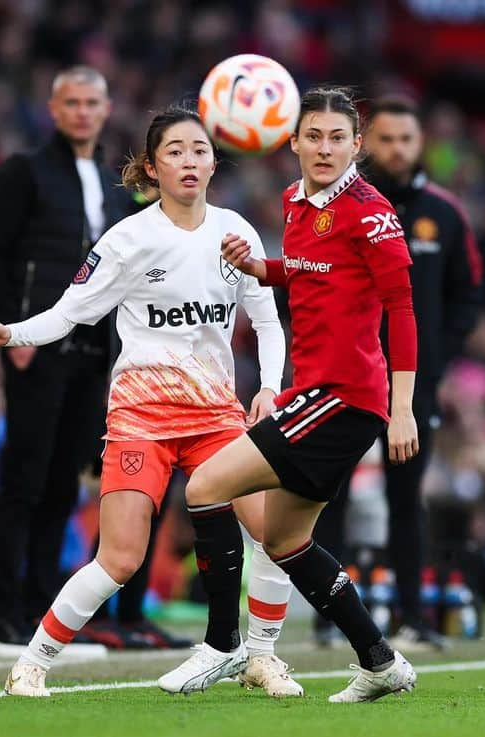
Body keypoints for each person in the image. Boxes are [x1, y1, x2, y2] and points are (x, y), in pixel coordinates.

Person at [0, 107, 304, 699]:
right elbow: (69, 313)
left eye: (199, 150)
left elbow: (268, 322)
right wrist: (11, 332)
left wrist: (269, 387)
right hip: (141, 418)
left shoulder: (237, 233)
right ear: (152, 166)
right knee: (120, 558)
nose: (190, 161)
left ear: (213, 161)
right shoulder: (127, 239)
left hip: (216, 418)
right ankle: (33, 662)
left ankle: (261, 656)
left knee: (274, 531)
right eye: (175, 151)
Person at [159, 87, 419, 703]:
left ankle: (222, 645)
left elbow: (401, 308)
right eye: (314, 137)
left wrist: (402, 407)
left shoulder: (370, 209)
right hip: (321, 394)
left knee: (204, 487)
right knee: (283, 541)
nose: (324, 148)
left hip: (343, 395)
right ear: (293, 141)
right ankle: (381, 662)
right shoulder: (297, 201)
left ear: (357, 145)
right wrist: (260, 268)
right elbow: (311, 269)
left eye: (337, 138)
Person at [0, 66, 132, 655]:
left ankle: (43, 618)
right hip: (36, 345)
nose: (83, 111)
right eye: (72, 102)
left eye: (92, 101)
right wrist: (11, 333)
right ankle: (5, 618)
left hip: (95, 349)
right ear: (54, 107)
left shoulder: (116, 182)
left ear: (107, 107)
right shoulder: (26, 171)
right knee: (25, 480)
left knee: (65, 483)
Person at [313, 95, 482, 647]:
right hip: (345, 377)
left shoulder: (445, 215)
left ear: (420, 143)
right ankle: (328, 618)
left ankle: (412, 617)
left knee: (406, 499)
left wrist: (435, 358)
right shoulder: (335, 207)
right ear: (367, 144)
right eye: (386, 139)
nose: (397, 149)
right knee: (328, 492)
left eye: (406, 139)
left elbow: (468, 295)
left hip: (413, 385)